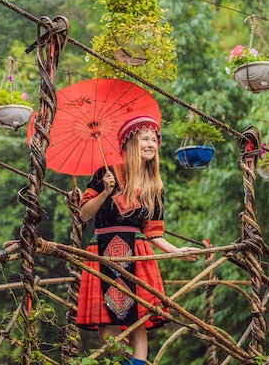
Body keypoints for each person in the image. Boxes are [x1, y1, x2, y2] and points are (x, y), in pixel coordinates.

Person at [76, 114, 197, 365]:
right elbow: (84, 214)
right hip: (103, 252)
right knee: (107, 330)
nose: (151, 144)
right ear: (130, 143)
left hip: (137, 254)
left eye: (154, 139)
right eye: (145, 139)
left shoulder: (156, 186)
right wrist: (106, 192)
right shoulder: (105, 174)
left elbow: (154, 233)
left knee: (138, 323)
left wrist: (176, 251)